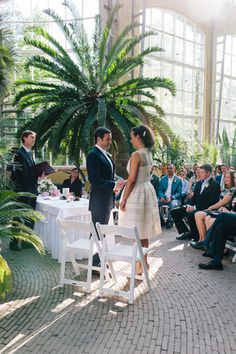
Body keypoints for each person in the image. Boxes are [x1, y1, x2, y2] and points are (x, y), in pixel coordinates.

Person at [118, 125, 161, 274]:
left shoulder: (136, 155)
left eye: (131, 137)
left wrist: (123, 200)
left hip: (137, 193)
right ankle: (143, 263)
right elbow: (139, 176)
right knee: (143, 232)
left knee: (136, 231)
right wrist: (126, 181)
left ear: (138, 137)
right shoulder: (148, 153)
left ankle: (140, 264)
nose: (130, 140)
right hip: (147, 190)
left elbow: (132, 180)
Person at [86, 127, 122, 267]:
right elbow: (94, 179)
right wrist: (113, 184)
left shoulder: (105, 154)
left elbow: (109, 175)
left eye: (111, 139)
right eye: (108, 139)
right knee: (96, 231)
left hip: (107, 199)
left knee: (102, 231)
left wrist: (118, 182)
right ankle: (94, 262)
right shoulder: (93, 155)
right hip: (99, 201)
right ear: (99, 139)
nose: (110, 142)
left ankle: (97, 259)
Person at [171, 164, 221, 241]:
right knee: (174, 212)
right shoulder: (199, 183)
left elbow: (212, 202)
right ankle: (187, 232)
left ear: (208, 173)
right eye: (199, 172)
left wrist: (194, 207)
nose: (199, 174)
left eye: (202, 172)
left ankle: (196, 237)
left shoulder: (215, 185)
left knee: (191, 214)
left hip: (205, 209)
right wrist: (189, 205)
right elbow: (194, 198)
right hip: (194, 207)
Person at [10, 130, 39, 251]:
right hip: (22, 190)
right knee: (19, 217)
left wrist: (40, 174)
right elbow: (21, 174)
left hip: (32, 190)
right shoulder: (19, 154)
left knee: (30, 217)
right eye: (31, 137)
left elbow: (31, 171)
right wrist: (37, 176)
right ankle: (13, 243)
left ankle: (27, 242)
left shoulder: (30, 153)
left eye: (34, 138)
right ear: (24, 138)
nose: (34, 139)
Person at [192, 170, 235, 246]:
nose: (226, 179)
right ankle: (202, 240)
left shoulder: (233, 190)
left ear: (232, 179)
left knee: (205, 216)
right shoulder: (224, 190)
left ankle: (208, 243)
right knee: (197, 214)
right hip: (217, 210)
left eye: (228, 177)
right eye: (225, 177)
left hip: (224, 212)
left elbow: (222, 203)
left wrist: (210, 208)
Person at [158, 164, 182, 229]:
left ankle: (169, 220)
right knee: (155, 203)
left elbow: (179, 193)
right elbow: (160, 190)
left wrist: (171, 198)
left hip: (173, 198)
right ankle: (161, 220)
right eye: (168, 168)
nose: (169, 170)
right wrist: (161, 197)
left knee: (173, 204)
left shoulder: (178, 180)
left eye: (171, 168)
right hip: (164, 197)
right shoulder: (163, 179)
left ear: (174, 170)